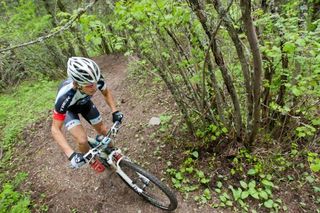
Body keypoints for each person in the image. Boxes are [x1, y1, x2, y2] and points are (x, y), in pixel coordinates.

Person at [51, 57, 123, 172]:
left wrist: (115, 111)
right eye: (89, 85)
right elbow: (55, 129)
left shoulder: (96, 79)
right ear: (77, 83)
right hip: (70, 110)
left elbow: (106, 92)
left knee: (103, 130)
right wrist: (71, 155)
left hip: (85, 104)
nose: (94, 87)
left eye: (94, 83)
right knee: (82, 140)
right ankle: (91, 159)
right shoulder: (65, 96)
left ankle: (112, 150)